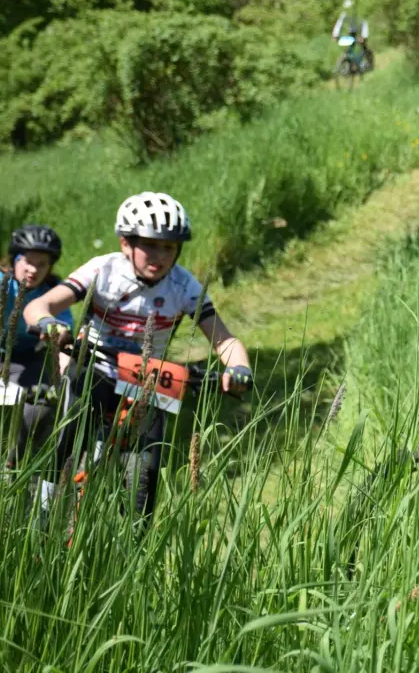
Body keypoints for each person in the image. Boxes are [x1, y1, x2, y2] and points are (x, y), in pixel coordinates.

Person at [24, 192, 252, 516]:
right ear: (125, 244)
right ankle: (42, 514)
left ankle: (134, 539)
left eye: (169, 247)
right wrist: (48, 323)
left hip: (148, 378)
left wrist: (239, 368)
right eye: (149, 244)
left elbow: (224, 340)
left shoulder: (184, 286)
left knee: (148, 466)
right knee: (67, 435)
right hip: (94, 364)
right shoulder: (103, 270)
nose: (159, 255)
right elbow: (39, 305)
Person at [1, 225, 72, 492]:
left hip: (29, 358)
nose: (33, 270)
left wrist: (63, 374)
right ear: (14, 259)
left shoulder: (52, 295)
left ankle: (15, 464)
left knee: (43, 403)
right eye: (27, 262)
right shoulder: (1, 282)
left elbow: (62, 341)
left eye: (41, 264)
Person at [332, 0, 373, 76]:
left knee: (363, 46)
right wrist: (335, 35)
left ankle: (368, 63)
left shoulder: (358, 13)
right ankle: (351, 65)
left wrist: (363, 36)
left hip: (361, 30)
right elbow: (339, 24)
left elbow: (364, 24)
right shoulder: (345, 14)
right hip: (352, 31)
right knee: (350, 47)